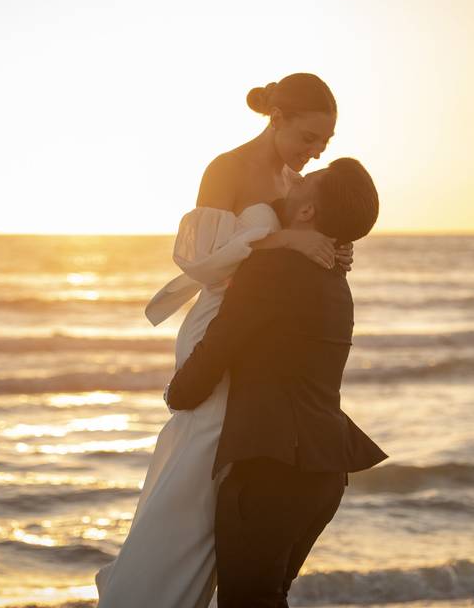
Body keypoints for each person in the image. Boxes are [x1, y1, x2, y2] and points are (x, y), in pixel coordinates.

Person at [95, 74, 350, 607]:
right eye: (307, 138)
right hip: (220, 320)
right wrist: (288, 240)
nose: (314, 151)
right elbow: (201, 261)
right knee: (200, 455)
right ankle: (147, 590)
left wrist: (328, 247)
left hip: (257, 329)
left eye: (323, 144)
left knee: (225, 468)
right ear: (276, 120)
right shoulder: (226, 168)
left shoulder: (291, 180)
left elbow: (294, 252)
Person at [165, 158, 389, 607]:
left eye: (311, 178)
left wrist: (178, 393)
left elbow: (217, 348)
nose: (299, 176)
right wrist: (289, 233)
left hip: (273, 471)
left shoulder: (273, 271)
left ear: (308, 212)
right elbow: (263, 210)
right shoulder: (331, 273)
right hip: (322, 473)